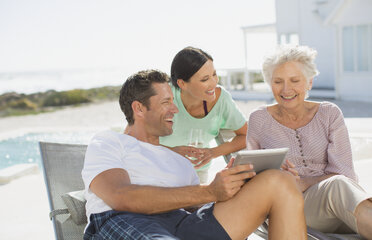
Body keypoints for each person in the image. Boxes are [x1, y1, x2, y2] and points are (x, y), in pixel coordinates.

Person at [82, 69, 307, 240]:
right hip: (127, 220)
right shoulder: (109, 142)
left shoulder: (180, 160)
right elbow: (121, 197)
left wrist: (234, 185)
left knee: (279, 181)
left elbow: (199, 206)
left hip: (185, 225)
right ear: (139, 109)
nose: (175, 109)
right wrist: (208, 191)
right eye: (165, 102)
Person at [247, 44, 372, 238]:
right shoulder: (259, 119)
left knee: (340, 185)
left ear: (309, 82)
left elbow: (345, 173)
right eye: (278, 81)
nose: (286, 89)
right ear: (269, 83)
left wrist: (304, 182)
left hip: (339, 206)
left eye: (295, 80)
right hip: (288, 208)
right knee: (339, 185)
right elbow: (251, 177)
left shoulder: (329, 113)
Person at [160, 47, 248, 184]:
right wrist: (171, 152)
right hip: (158, 171)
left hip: (196, 175)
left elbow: (246, 135)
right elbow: (134, 139)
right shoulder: (163, 96)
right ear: (182, 83)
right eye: (205, 79)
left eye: (214, 74)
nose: (214, 83)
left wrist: (212, 152)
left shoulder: (221, 99)